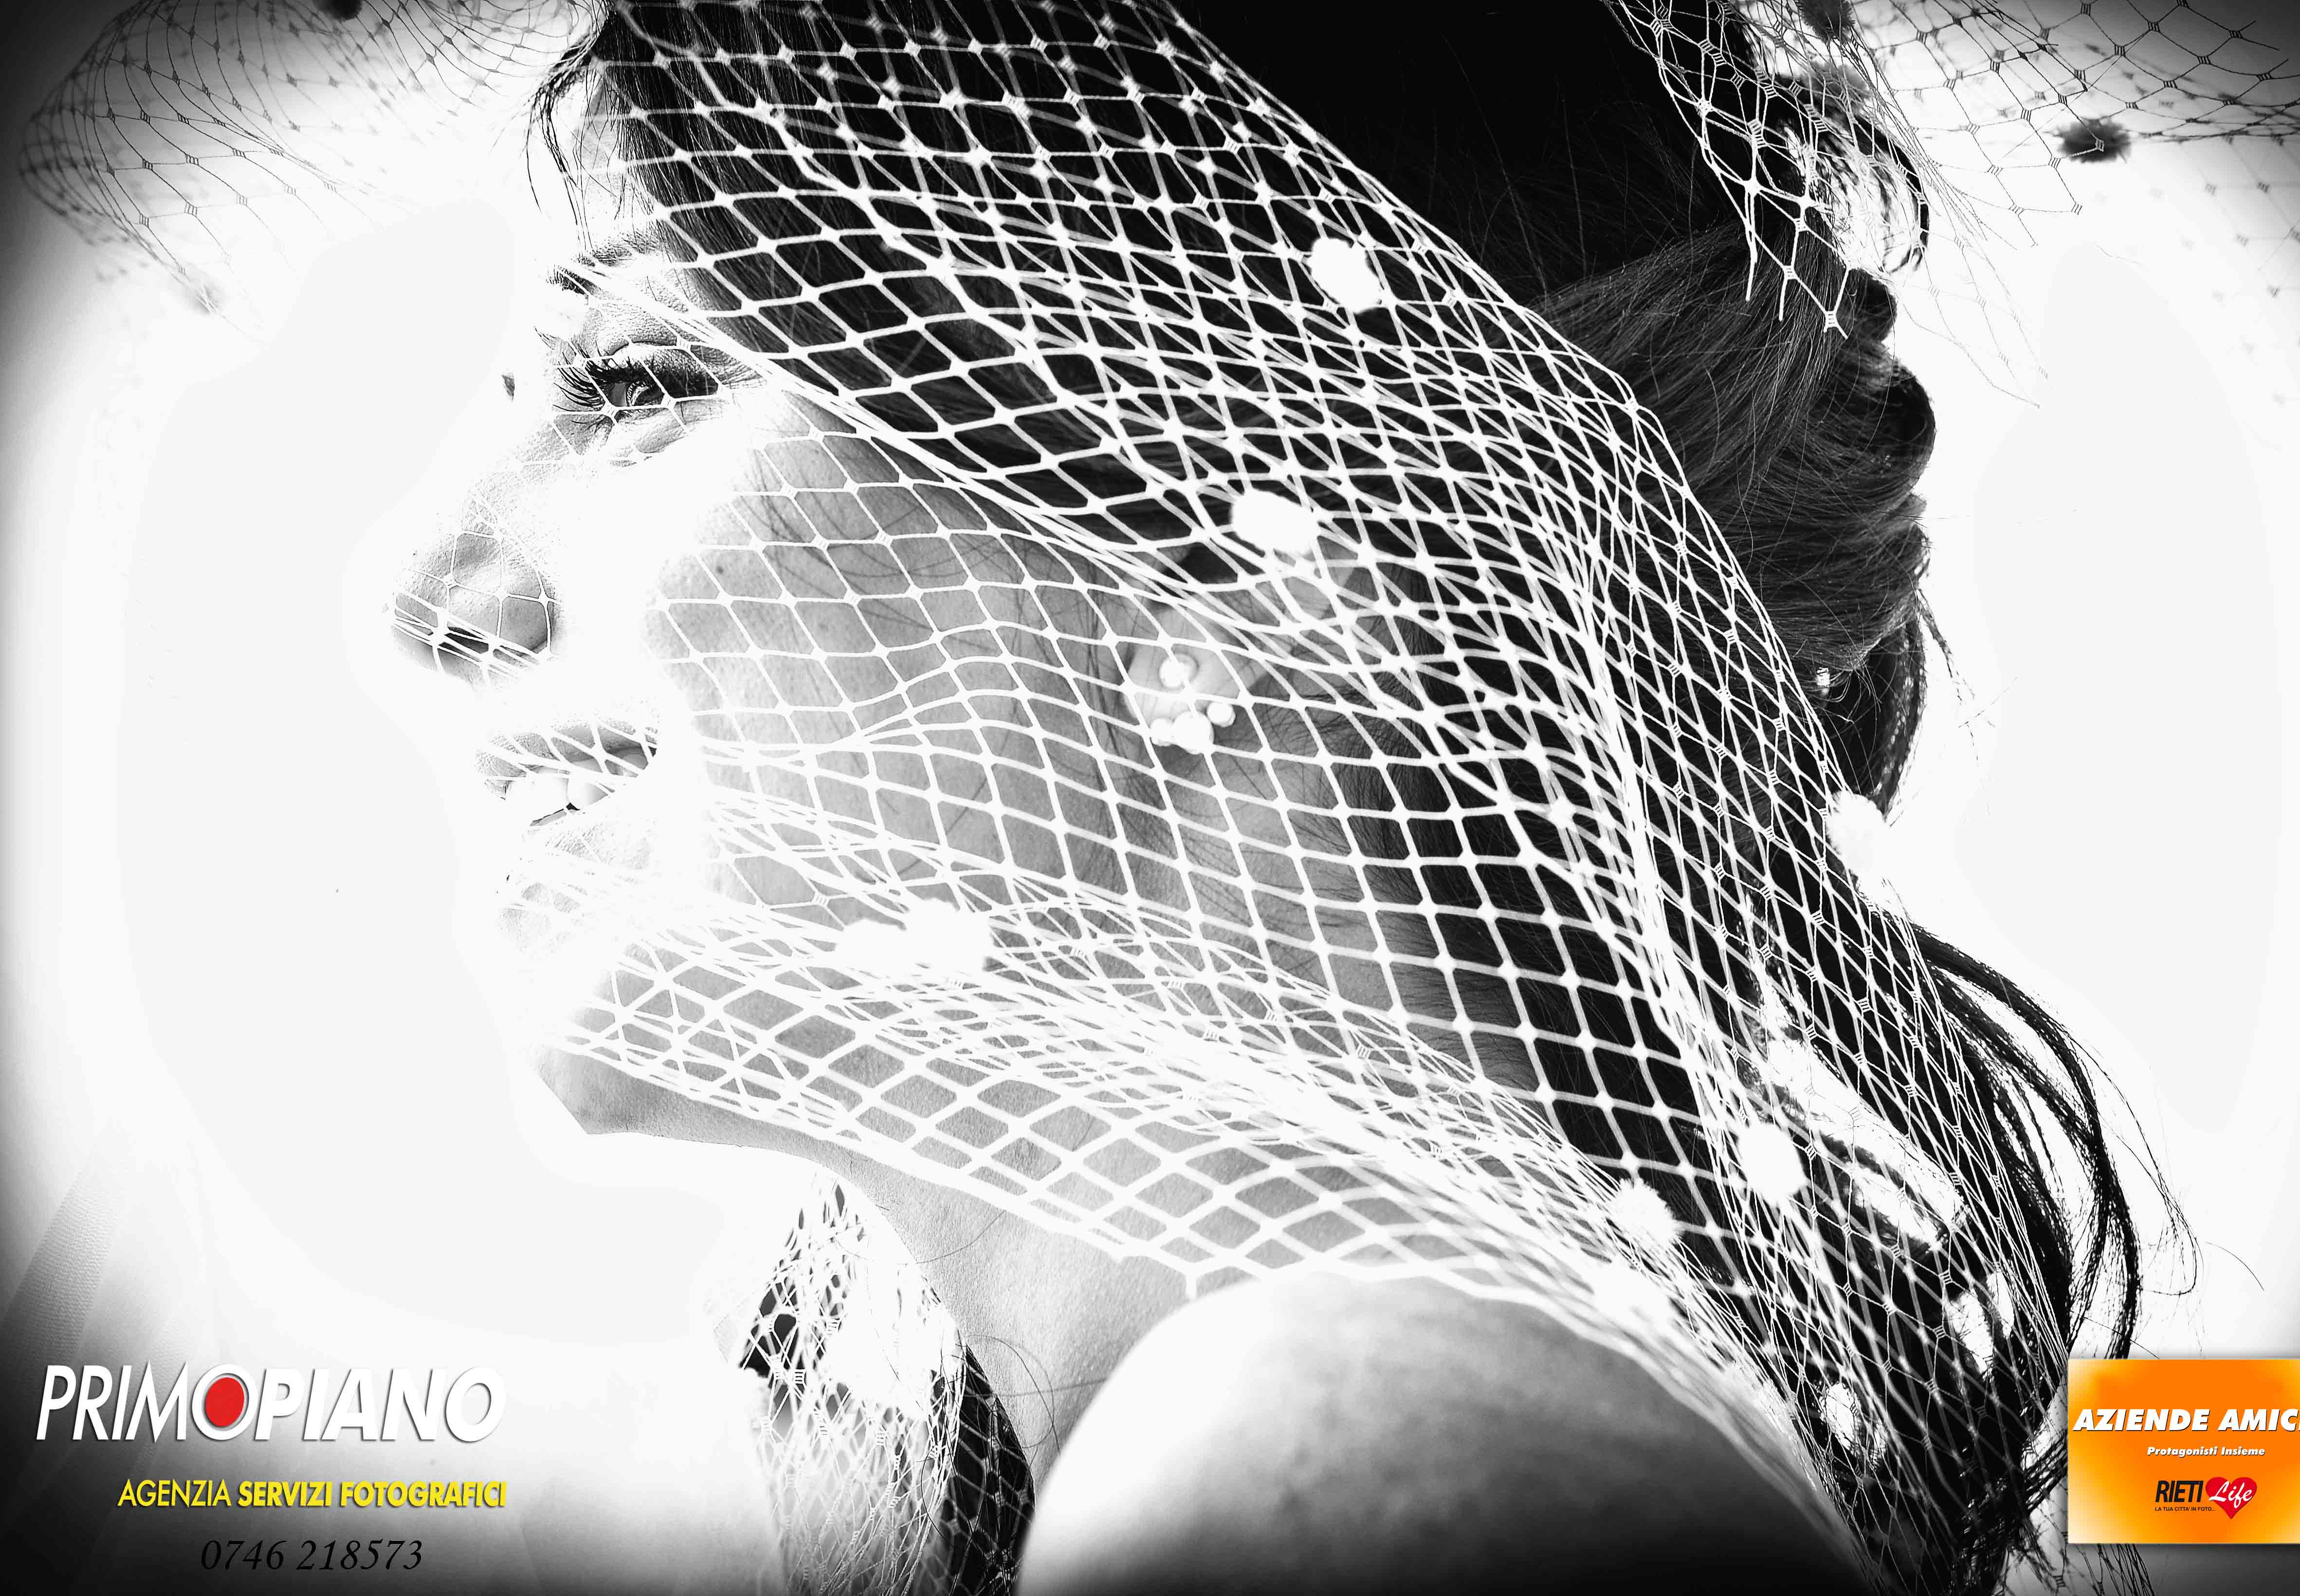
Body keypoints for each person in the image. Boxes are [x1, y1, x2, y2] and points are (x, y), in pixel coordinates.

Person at [379, 2, 2143, 1591]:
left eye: (642, 381)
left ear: (1247, 563)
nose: (428, 588)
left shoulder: (1332, 1459)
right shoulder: (1383, 1420)